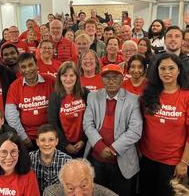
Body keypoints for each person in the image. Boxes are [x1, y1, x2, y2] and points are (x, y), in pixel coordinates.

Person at [139, 53, 189, 196]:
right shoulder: (149, 94)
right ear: (157, 71)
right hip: (147, 158)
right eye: (162, 68)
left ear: (179, 70)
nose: (166, 72)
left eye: (171, 68)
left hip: (172, 162)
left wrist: (184, 162)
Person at [83, 64, 142, 196]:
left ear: (122, 79)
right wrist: (100, 146)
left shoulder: (133, 100)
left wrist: (113, 149)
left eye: (115, 77)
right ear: (101, 79)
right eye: (107, 77)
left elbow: (135, 131)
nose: (111, 81)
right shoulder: (92, 97)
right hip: (96, 159)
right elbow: (88, 124)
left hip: (123, 161)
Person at [6, 53, 56, 147]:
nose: (28, 69)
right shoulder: (14, 86)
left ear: (36, 65)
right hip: (27, 138)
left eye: (30, 65)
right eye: (24, 67)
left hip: (51, 135)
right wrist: (24, 138)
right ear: (20, 70)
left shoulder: (51, 81)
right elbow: (11, 116)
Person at [48, 61, 90, 157]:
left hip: (84, 143)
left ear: (77, 77)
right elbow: (53, 123)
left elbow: (90, 120)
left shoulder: (85, 93)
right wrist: (65, 145)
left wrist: (83, 140)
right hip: (63, 146)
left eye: (71, 75)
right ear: (59, 78)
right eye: (65, 75)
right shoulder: (55, 97)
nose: (68, 79)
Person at [30, 124, 73, 193]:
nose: (47, 144)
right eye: (42, 140)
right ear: (37, 142)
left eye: (51, 140)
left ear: (56, 141)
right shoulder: (29, 159)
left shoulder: (67, 161)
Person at [42, 158, 117, 196]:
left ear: (92, 181)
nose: (79, 194)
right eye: (71, 188)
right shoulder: (51, 193)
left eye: (83, 185)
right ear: (63, 185)